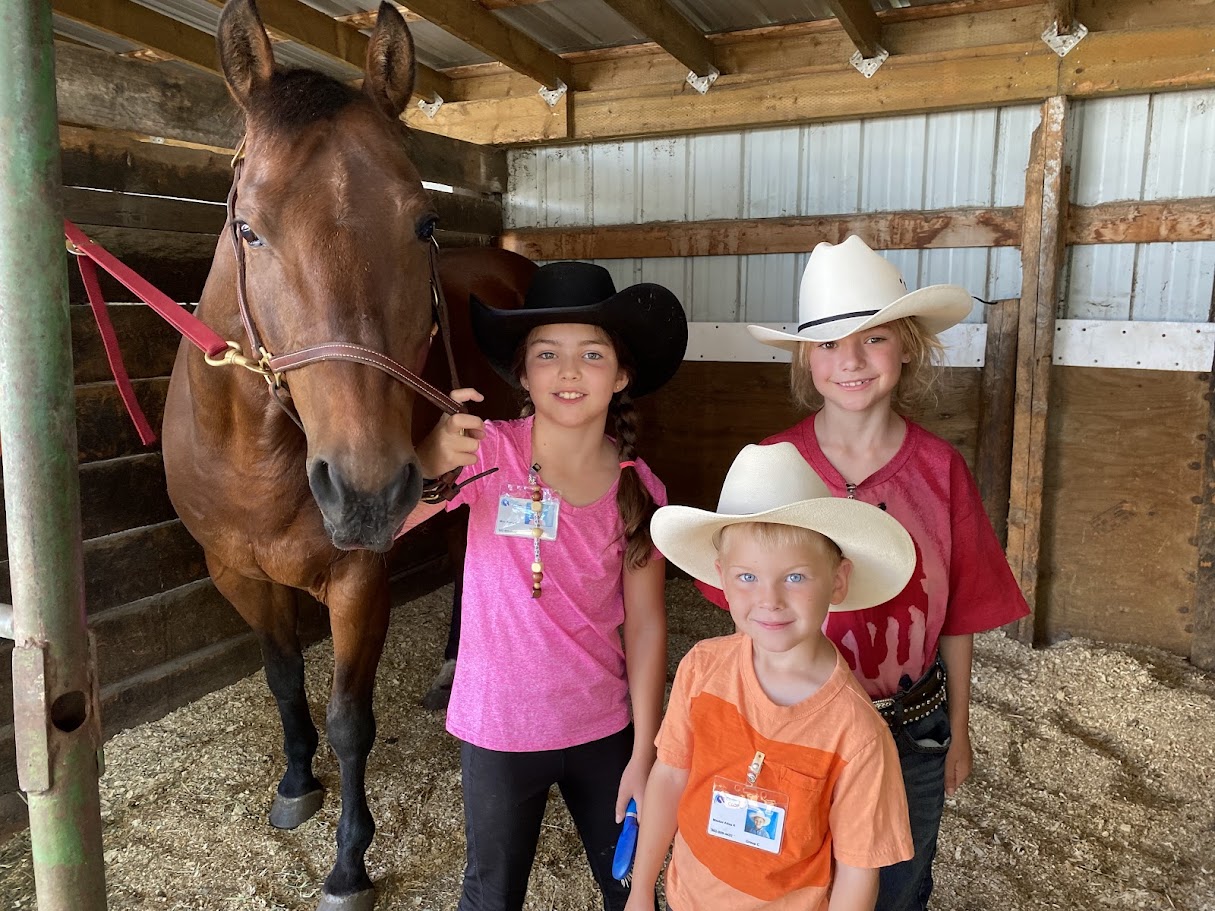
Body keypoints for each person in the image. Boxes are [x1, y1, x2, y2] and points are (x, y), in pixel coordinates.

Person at [702, 235, 1030, 910]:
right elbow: (743, 613)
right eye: (827, 343)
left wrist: (958, 727)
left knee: (895, 882)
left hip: (909, 725)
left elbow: (959, 614)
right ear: (807, 359)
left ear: (906, 346)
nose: (850, 360)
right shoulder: (769, 466)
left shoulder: (939, 470)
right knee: (791, 879)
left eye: (873, 338)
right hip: (790, 721)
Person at [406, 261, 688, 911]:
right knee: (491, 893)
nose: (568, 371)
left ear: (621, 376)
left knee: (628, 886)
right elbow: (381, 527)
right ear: (523, 374)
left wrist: (645, 751)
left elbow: (646, 625)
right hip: (498, 729)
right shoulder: (483, 453)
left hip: (603, 727)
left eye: (592, 354)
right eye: (547, 354)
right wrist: (428, 459)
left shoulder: (638, 487)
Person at [626, 442, 917, 911]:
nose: (770, 600)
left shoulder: (857, 734)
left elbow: (857, 871)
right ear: (722, 577)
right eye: (747, 577)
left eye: (795, 577)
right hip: (687, 899)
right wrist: (641, 890)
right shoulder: (701, 668)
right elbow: (669, 776)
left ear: (838, 580)